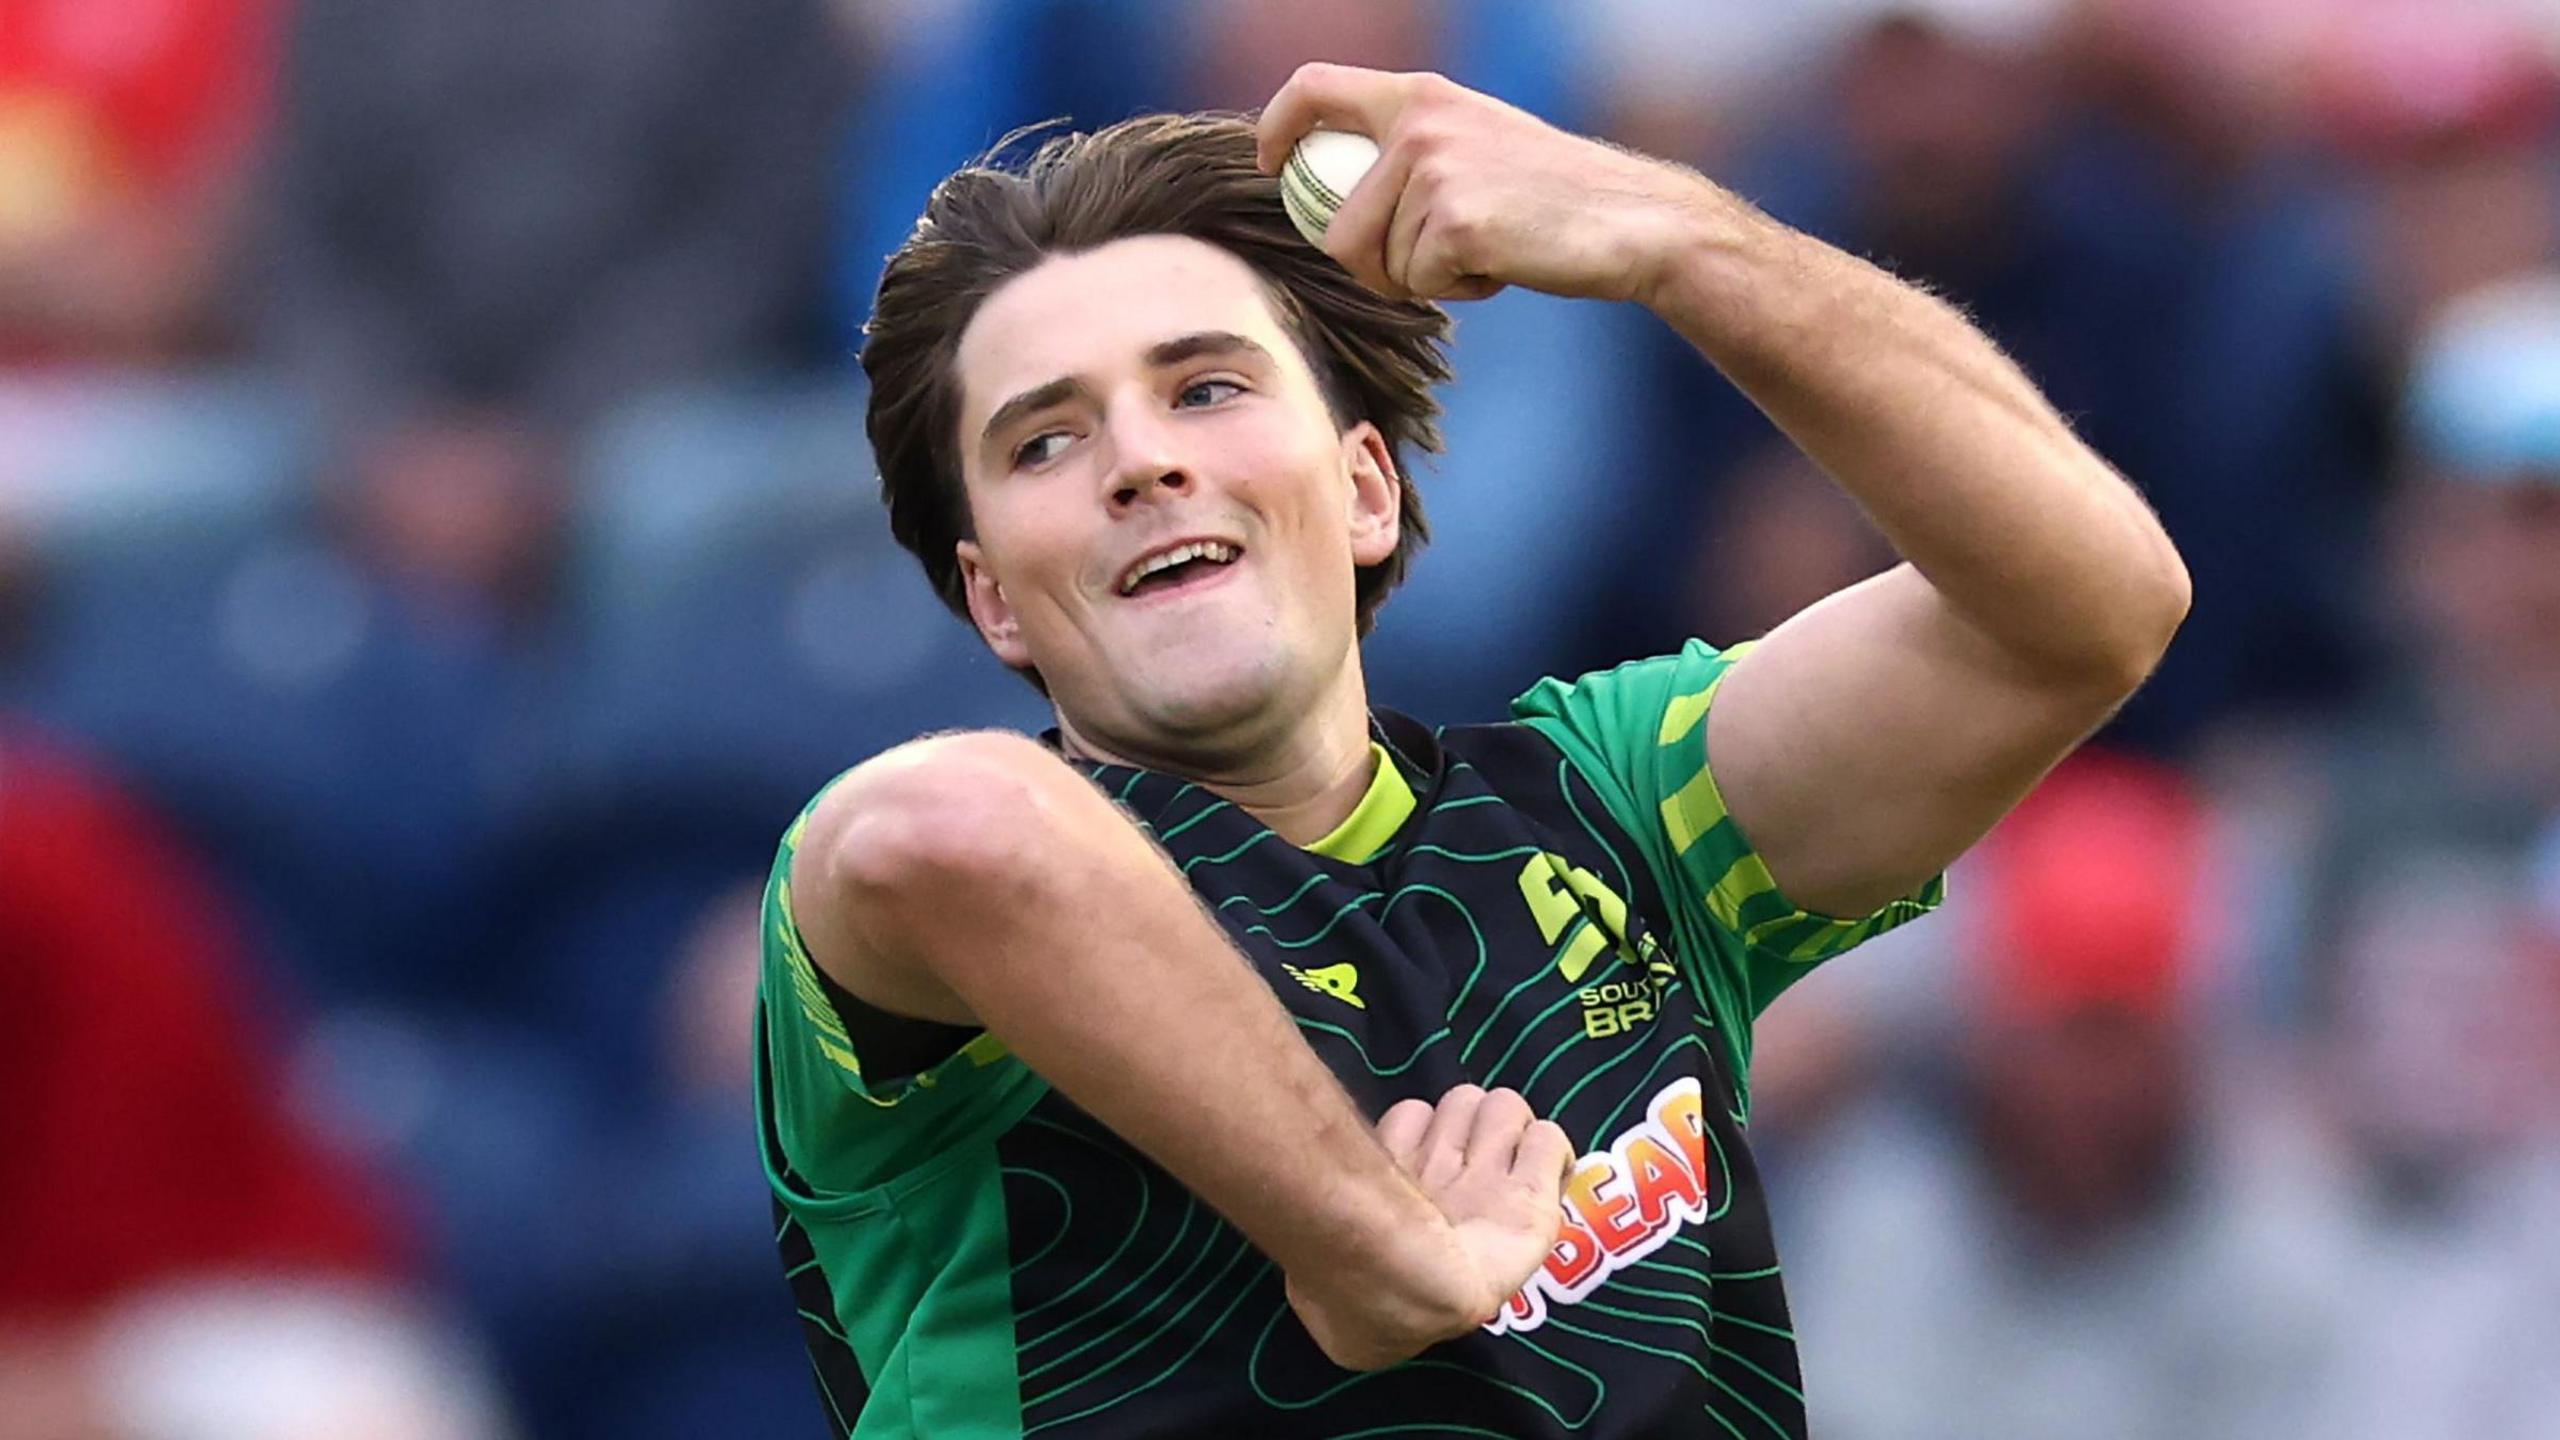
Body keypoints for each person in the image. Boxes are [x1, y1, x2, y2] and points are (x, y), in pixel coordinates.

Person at [757, 63, 2189, 1438]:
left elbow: (2088, 610)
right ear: (994, 597)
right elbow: (947, 834)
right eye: (1045, 444)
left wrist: (1677, 237)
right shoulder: (934, 936)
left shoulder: (1618, 802)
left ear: (1368, 486)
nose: (1141, 460)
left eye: (1204, 389)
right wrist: (1379, 1243)